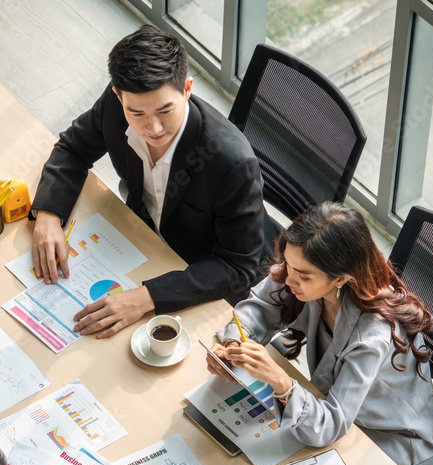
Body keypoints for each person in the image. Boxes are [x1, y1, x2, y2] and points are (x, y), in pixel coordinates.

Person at [30, 25, 265, 338]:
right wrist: (48, 215)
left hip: (191, 277)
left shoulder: (232, 164)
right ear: (118, 95)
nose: (152, 127)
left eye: (165, 110)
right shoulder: (117, 105)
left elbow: (238, 268)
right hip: (138, 241)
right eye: (136, 113)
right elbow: (73, 148)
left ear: (187, 89)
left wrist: (146, 298)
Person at [207, 202, 433, 465]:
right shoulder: (304, 275)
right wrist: (235, 344)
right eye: (288, 265)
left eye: (304, 275)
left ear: (341, 278)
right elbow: (259, 308)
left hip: (389, 444)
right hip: (334, 414)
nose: (290, 279)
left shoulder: (373, 336)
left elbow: (331, 423)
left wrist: (282, 384)